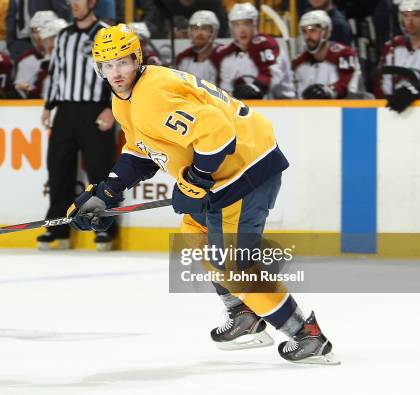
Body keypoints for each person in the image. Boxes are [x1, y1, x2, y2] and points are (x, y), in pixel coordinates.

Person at [67, 23, 339, 365]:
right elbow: (142, 149)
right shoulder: (125, 98)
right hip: (230, 170)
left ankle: (306, 336)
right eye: (107, 65)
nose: (115, 72)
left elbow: (218, 132)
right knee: (195, 232)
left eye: (122, 62)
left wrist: (195, 180)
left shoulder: (152, 96)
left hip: (244, 171)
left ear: (137, 59)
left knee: (233, 265)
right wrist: (106, 191)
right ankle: (244, 315)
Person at [39, 0, 117, 251]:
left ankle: (104, 229)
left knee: (100, 171)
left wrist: (112, 107)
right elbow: (56, 71)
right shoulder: (63, 36)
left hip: (96, 108)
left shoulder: (105, 34)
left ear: (92, 2)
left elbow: (117, 72)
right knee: (59, 169)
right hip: (66, 110)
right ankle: (57, 226)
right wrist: (49, 105)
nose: (73, 4)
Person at [215, 3, 296, 99]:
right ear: (231, 27)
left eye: (246, 24)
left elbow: (274, 77)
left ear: (254, 24)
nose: (242, 30)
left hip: (281, 105)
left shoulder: (267, 45)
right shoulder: (227, 56)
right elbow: (226, 90)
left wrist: (255, 88)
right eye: (237, 25)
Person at [293, 10, 363, 99]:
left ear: (325, 32)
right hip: (305, 111)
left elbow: (349, 87)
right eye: (304, 31)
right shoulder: (298, 61)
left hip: (340, 111)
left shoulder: (344, 54)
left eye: (312, 30)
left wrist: (330, 91)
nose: (308, 36)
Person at [377, 0, 420, 113]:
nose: (410, 21)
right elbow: (379, 80)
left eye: (416, 15)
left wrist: (413, 89)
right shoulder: (392, 46)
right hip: (392, 108)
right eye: (406, 16)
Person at [14, 10, 57, 98]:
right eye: (34, 31)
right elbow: (20, 91)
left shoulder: (68, 57)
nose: (37, 36)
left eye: (42, 30)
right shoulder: (25, 60)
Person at [175, 10, 223, 85]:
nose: (199, 33)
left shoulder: (225, 56)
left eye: (204, 28)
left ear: (214, 32)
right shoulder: (182, 58)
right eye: (195, 28)